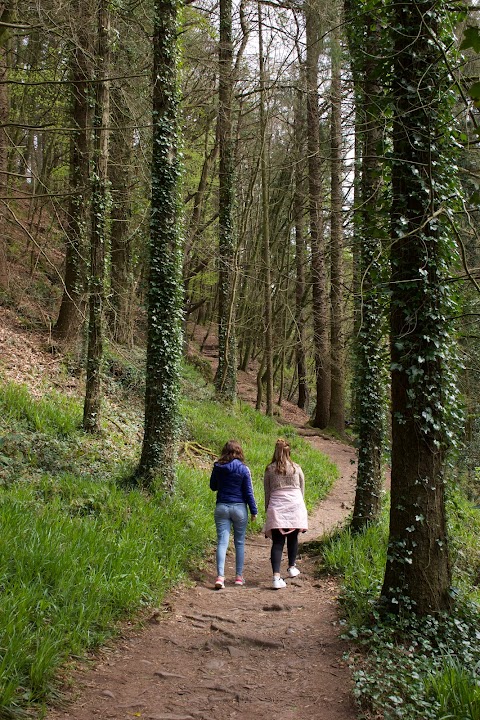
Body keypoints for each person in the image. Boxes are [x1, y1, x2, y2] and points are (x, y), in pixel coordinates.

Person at [210, 440, 258, 589]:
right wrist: (254, 511)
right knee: (239, 542)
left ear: (225, 452)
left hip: (222, 507)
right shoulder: (243, 469)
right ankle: (238, 577)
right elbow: (248, 492)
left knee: (222, 542)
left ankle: (220, 577)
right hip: (239, 509)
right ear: (239, 452)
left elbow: (213, 487)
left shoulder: (218, 467)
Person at [263, 438, 308, 589]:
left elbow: (267, 492)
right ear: (289, 452)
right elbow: (302, 490)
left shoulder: (269, 469)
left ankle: (276, 577)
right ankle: (292, 567)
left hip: (277, 507)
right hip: (295, 505)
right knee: (293, 537)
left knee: (277, 542)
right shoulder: (297, 468)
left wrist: (267, 510)